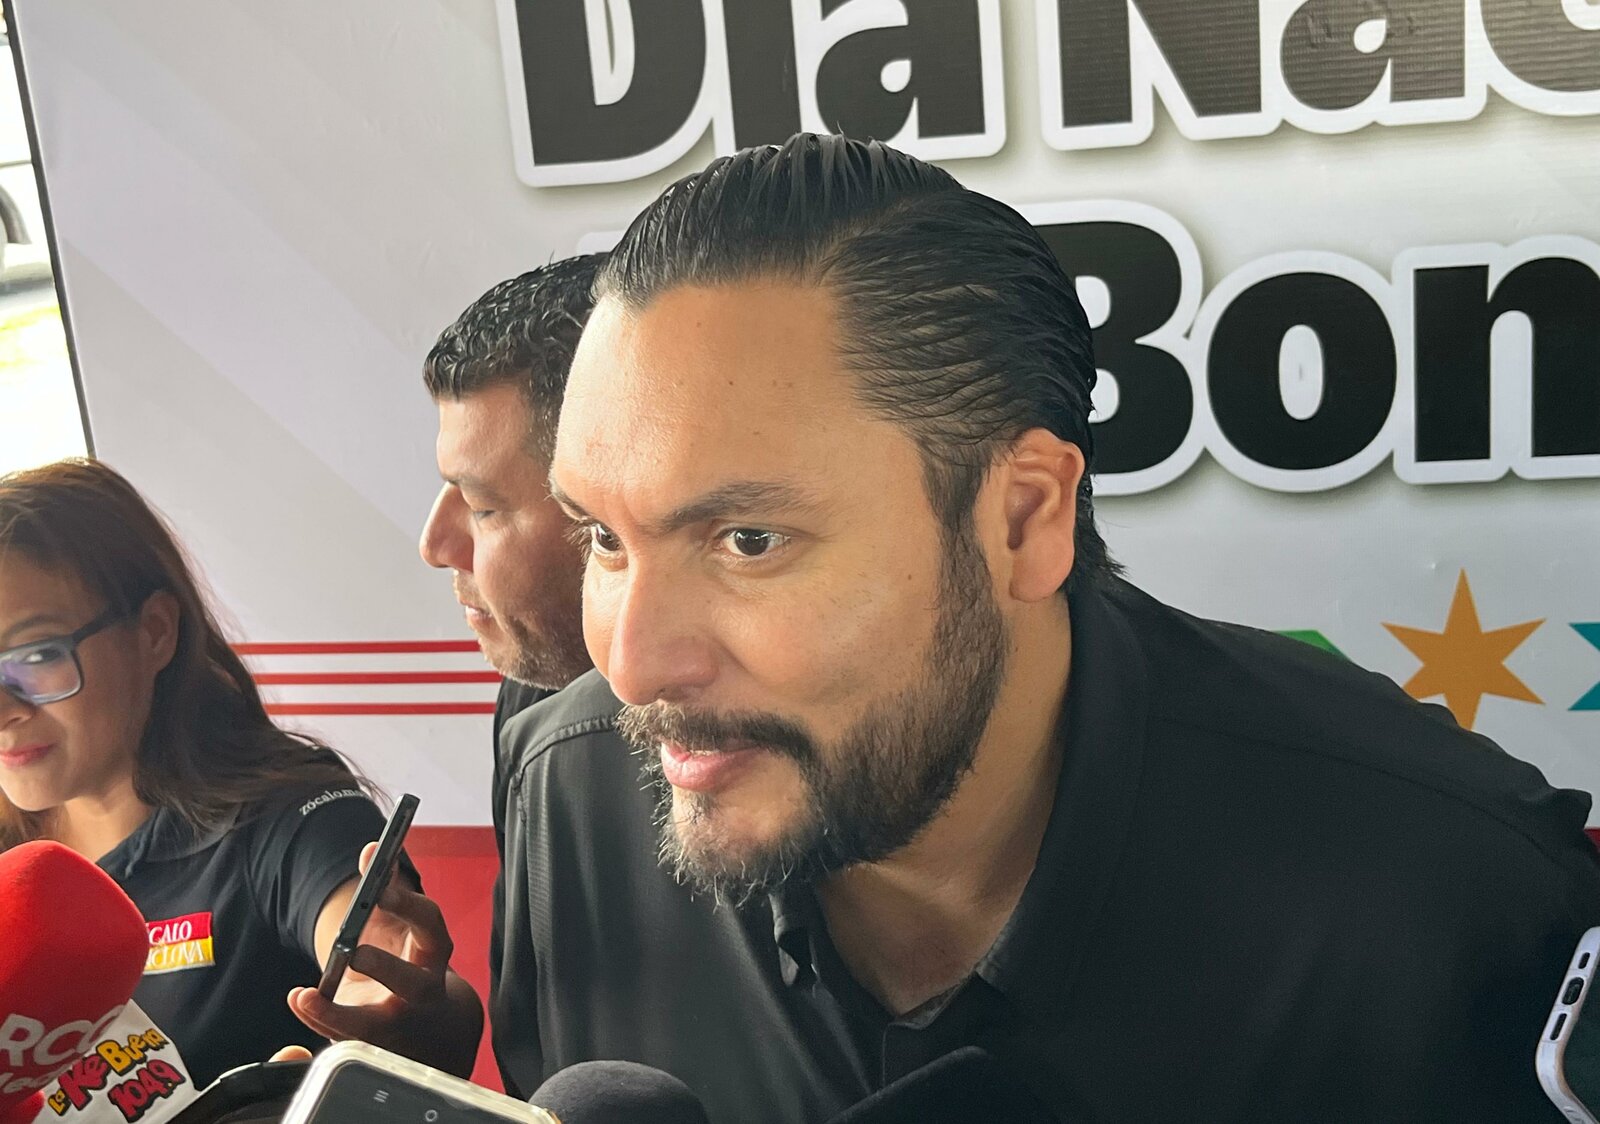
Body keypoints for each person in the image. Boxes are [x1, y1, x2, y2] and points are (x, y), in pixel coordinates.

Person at [0, 459, 482, 1085]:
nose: (5, 710)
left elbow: (387, 964)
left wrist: (406, 1012)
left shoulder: (285, 813)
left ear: (155, 632)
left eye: (37, 656)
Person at [417, 255, 606, 804]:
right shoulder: (531, 695)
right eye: (450, 487)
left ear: (607, 518)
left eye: (481, 505)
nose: (434, 546)